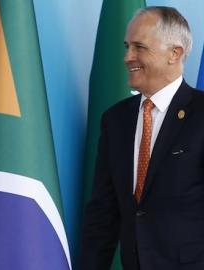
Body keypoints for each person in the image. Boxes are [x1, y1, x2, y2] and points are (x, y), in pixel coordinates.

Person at [80, 6, 204, 270]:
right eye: (127, 46)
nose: (127, 57)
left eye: (139, 47)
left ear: (175, 53)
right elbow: (103, 214)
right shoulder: (115, 120)